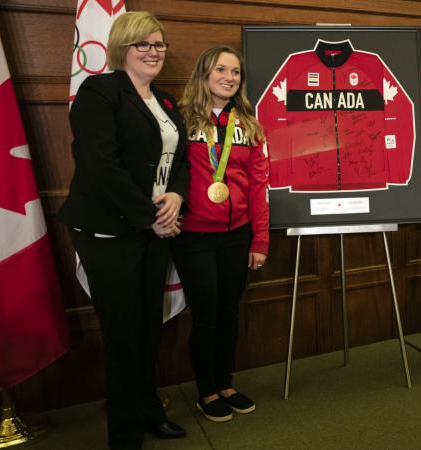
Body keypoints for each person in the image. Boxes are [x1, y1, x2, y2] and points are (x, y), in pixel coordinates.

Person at [58, 11, 189, 449]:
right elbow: (101, 165)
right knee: (121, 333)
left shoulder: (166, 102)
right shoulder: (100, 91)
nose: (154, 52)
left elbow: (180, 163)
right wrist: (150, 214)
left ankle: (149, 409)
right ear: (121, 49)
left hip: (153, 228)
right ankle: (125, 432)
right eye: (143, 44)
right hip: (109, 230)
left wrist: (176, 198)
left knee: (149, 325)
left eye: (159, 44)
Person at [173, 46, 269, 422]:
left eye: (235, 72)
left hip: (237, 235)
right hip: (194, 236)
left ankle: (226, 384)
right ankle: (206, 390)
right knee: (207, 316)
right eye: (221, 70)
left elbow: (260, 186)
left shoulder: (249, 125)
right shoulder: (180, 120)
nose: (229, 77)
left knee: (229, 313)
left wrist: (259, 239)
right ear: (204, 74)